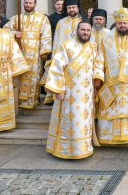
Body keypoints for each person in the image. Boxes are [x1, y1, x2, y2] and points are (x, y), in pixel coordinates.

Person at [45, 21, 98, 159]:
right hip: (69, 91)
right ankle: (66, 150)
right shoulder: (66, 45)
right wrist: (58, 89)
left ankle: (84, 148)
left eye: (88, 30)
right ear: (77, 30)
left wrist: (98, 79)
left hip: (87, 92)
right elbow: (56, 67)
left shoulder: (93, 46)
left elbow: (97, 64)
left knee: (84, 121)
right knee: (70, 121)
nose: (85, 32)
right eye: (83, 29)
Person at [93, 8, 128, 144]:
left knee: (125, 110)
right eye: (120, 23)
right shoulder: (106, 39)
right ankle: (108, 138)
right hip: (110, 81)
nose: (123, 26)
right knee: (109, 109)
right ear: (116, 23)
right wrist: (97, 76)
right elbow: (99, 58)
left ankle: (126, 136)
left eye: (125, 23)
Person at [4, 0, 52, 110]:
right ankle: (19, 100)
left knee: (33, 75)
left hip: (35, 52)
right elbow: (5, 31)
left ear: (35, 4)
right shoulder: (16, 18)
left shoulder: (42, 19)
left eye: (30, 3)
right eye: (26, 3)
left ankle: (32, 100)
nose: (28, 5)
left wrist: (44, 51)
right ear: (23, 4)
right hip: (20, 52)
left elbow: (46, 35)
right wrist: (15, 34)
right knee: (20, 75)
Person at [41, 0, 84, 104]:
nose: (71, 10)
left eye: (74, 7)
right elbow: (57, 40)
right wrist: (55, 56)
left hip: (80, 57)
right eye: (69, 8)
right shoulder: (61, 22)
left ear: (78, 8)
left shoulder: (83, 22)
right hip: (64, 57)